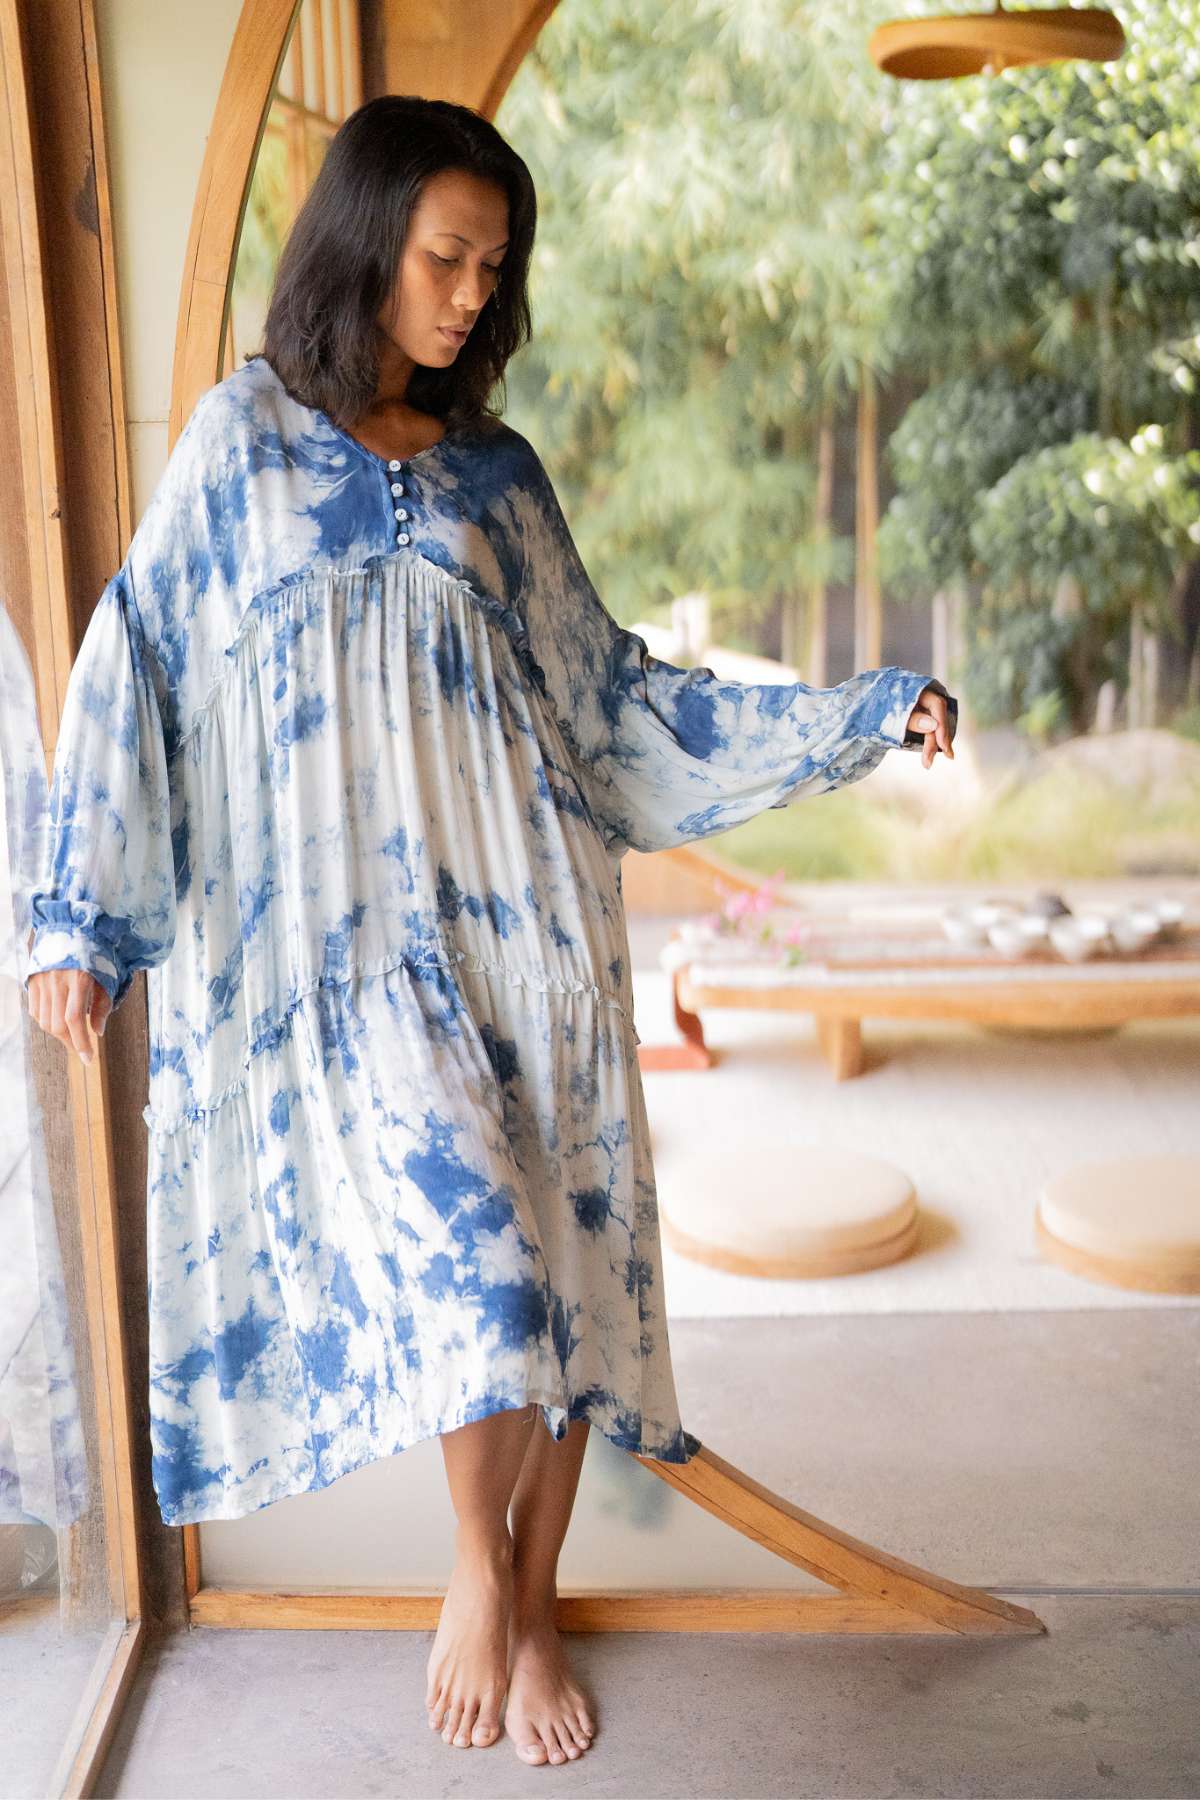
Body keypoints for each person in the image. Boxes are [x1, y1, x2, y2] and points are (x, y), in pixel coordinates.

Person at [22, 95, 955, 1767]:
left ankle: (531, 1594)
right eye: (444, 258)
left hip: (528, 933)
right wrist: (76, 924)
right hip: (348, 956)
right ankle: (473, 1569)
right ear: (364, 246)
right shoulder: (239, 446)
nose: (467, 296)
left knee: (566, 1270)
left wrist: (865, 716)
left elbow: (614, 702)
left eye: (491, 268)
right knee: (486, 1260)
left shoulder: (494, 474)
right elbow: (136, 665)